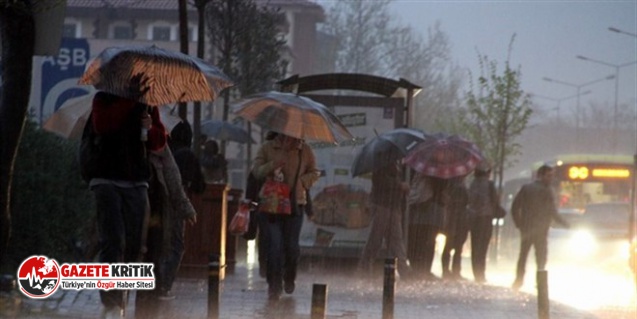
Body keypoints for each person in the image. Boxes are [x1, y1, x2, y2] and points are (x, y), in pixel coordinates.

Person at [81, 91, 166, 318]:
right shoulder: (103, 98)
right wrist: (130, 102)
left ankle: (122, 290)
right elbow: (102, 125)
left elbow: (158, 142)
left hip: (136, 180)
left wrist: (150, 127)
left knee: (136, 243)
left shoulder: (148, 103)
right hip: (106, 178)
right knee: (113, 239)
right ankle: (111, 302)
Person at [252, 133, 319, 301]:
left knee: (291, 247)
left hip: (295, 205)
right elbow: (257, 171)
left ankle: (289, 276)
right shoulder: (267, 147)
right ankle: (274, 284)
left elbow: (314, 172)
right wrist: (272, 166)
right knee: (274, 246)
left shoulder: (304, 150)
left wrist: (302, 182)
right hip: (271, 205)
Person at [511, 165, 569, 290]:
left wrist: (519, 224)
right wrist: (566, 224)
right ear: (541, 175)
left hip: (527, 228)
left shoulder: (526, 188)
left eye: (552, 176)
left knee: (523, 255)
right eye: (549, 176)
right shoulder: (548, 191)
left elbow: (515, 207)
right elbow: (552, 211)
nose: (551, 178)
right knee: (541, 257)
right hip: (541, 229)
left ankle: (519, 280)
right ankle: (540, 283)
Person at [358, 160, 412, 278]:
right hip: (382, 205)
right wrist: (400, 185)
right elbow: (381, 181)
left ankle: (404, 271)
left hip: (393, 206)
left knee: (396, 240)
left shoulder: (397, 163)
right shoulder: (382, 162)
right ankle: (364, 267)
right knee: (375, 238)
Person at [408, 175, 448, 281]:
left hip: (421, 213)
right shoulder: (437, 176)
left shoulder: (418, 174)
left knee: (420, 241)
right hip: (430, 213)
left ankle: (419, 269)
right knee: (428, 242)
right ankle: (423, 270)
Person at [467, 162, 498, 283]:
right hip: (486, 218)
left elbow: (469, 200)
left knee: (475, 246)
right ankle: (481, 274)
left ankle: (476, 273)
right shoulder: (490, 185)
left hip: (474, 218)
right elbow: (495, 201)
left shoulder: (473, 184)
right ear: (487, 173)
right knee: (483, 247)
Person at [440, 176, 469, 280]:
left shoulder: (449, 186)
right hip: (457, 219)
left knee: (450, 245)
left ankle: (446, 270)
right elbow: (466, 200)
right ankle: (454, 271)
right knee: (456, 246)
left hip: (452, 218)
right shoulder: (459, 186)